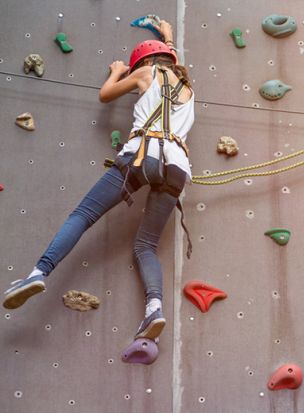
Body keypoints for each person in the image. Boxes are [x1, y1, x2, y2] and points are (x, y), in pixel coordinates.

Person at [3, 20, 194, 341]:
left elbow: (106, 95)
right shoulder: (189, 89)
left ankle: (37, 274)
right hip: (177, 167)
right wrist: (170, 38)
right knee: (146, 246)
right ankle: (154, 310)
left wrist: (118, 71)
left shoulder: (144, 73)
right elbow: (169, 60)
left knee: (83, 215)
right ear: (168, 59)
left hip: (141, 154)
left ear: (144, 63)